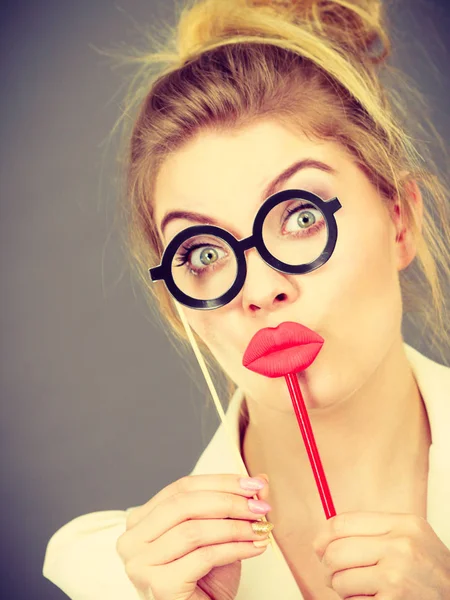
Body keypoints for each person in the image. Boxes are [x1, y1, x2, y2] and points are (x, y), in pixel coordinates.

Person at [42, 0, 450, 598]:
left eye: (302, 215)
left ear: (401, 222)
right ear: (178, 309)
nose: (259, 290)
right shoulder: (112, 577)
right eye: (203, 255)